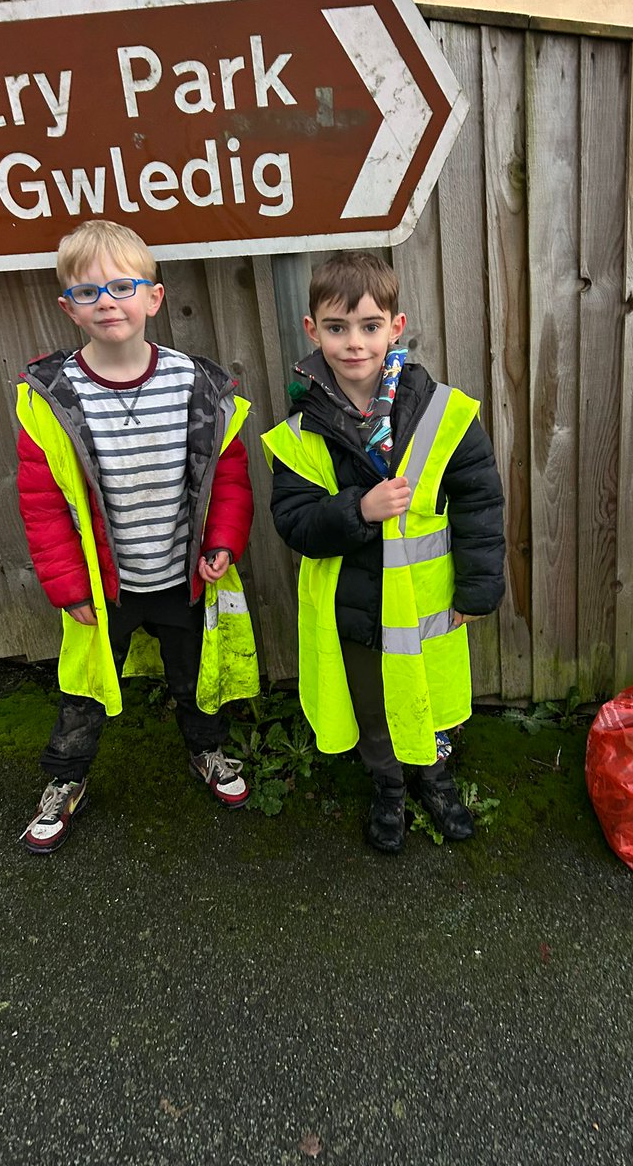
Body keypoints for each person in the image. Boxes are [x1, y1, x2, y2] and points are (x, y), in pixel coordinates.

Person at [16, 219, 260, 854]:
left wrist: (222, 545)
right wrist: (68, 587)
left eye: (123, 287)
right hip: (103, 590)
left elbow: (228, 478)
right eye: (89, 291)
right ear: (68, 307)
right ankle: (66, 780)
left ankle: (207, 752)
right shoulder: (52, 399)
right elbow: (42, 506)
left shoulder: (197, 386)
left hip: (183, 579)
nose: (108, 302)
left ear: (153, 297)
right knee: (84, 690)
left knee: (196, 678)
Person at [262, 251, 505, 854]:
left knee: (431, 701)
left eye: (370, 326)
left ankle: (434, 777)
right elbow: (293, 522)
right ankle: (389, 787)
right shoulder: (301, 431)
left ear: (395, 328)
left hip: (430, 608)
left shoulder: (446, 412)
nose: (354, 343)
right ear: (312, 330)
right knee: (373, 710)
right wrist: (357, 511)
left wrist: (477, 590)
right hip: (354, 615)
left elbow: (480, 506)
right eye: (337, 328)